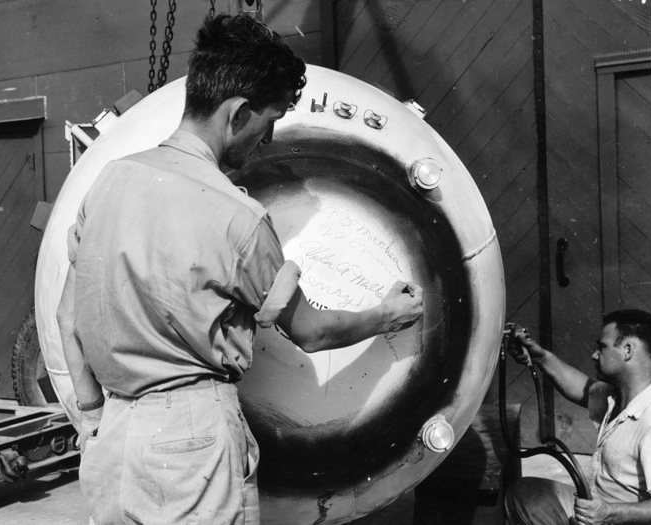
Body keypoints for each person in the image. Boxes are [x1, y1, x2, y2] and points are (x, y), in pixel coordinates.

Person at [56, 13, 424, 525]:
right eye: (269, 121)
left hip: (112, 442)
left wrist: (93, 414)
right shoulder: (236, 217)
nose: (267, 139)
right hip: (191, 446)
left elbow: (67, 317)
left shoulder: (108, 182)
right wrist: (386, 314)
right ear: (238, 112)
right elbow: (312, 332)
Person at [505, 309, 651, 525]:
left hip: (618, 518)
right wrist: (540, 356)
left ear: (628, 350)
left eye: (602, 347)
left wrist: (610, 513)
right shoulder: (621, 397)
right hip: (600, 508)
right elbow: (584, 388)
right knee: (527, 493)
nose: (594, 354)